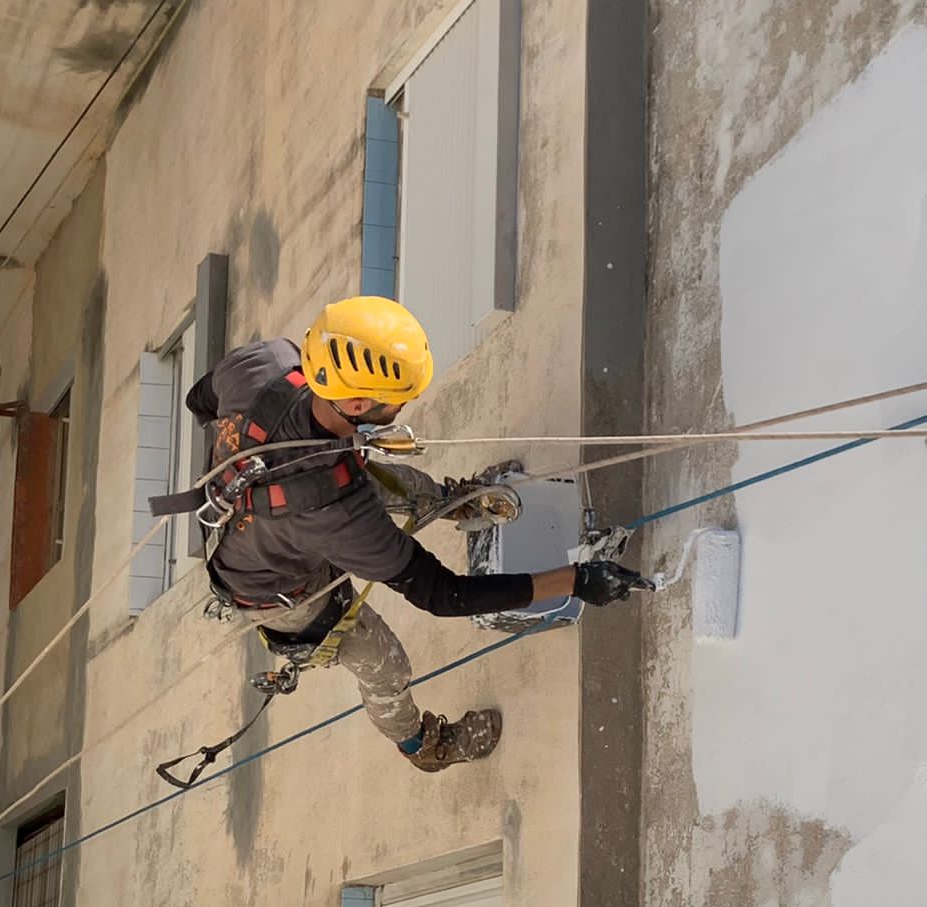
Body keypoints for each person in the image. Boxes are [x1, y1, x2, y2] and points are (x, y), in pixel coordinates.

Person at [183, 297, 651, 772]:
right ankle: (424, 747)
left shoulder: (266, 363)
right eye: (398, 400)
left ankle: (456, 502)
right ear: (359, 403)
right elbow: (444, 594)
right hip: (275, 589)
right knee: (383, 664)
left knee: (397, 482)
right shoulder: (342, 516)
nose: (405, 405)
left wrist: (246, 453)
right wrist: (574, 581)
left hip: (246, 517)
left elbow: (200, 399)